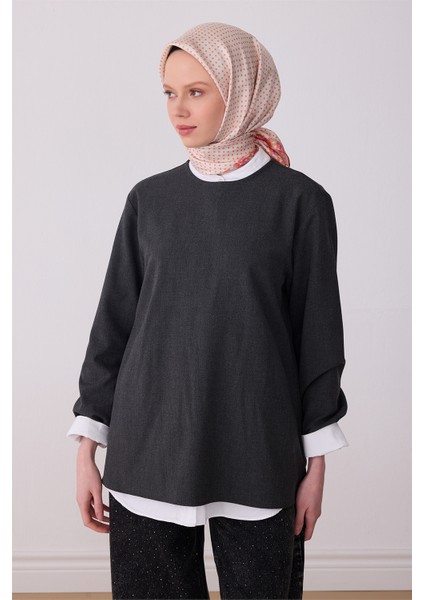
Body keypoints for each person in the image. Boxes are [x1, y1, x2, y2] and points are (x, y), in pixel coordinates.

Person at [66, 21, 349, 600]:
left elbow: (318, 339)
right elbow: (113, 328)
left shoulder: (301, 202)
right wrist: (87, 449)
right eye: (170, 92)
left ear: (242, 90)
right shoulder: (149, 199)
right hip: (148, 450)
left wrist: (316, 466)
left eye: (196, 91)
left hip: (258, 451)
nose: (178, 109)